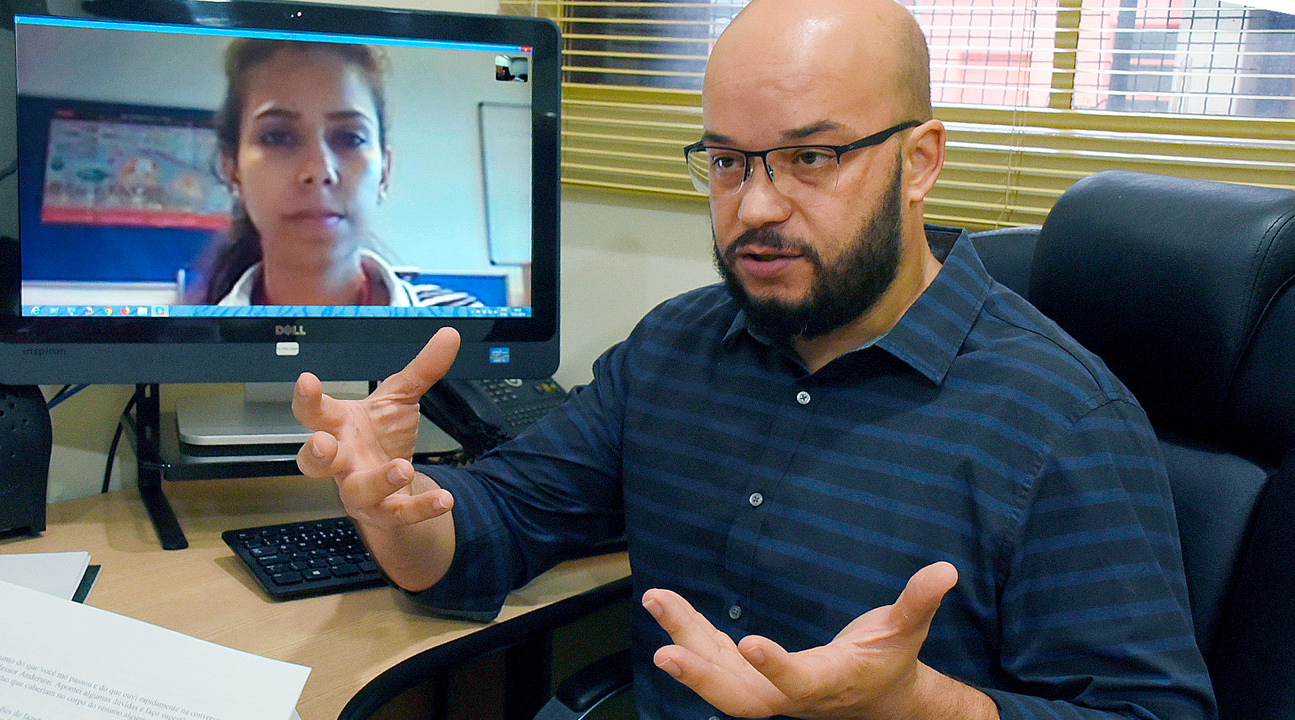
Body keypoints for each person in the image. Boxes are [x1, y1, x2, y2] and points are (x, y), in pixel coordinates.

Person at [292, 0, 1218, 717]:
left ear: (922, 162)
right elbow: (491, 531)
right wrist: (398, 511)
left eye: (812, 157)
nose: (756, 206)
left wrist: (917, 706)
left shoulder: (1063, 421)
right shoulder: (675, 349)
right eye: (729, 161)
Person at [191, 38, 478, 308]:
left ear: (384, 172)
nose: (319, 171)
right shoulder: (188, 346)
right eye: (277, 137)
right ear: (233, 170)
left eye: (350, 138)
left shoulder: (466, 326)